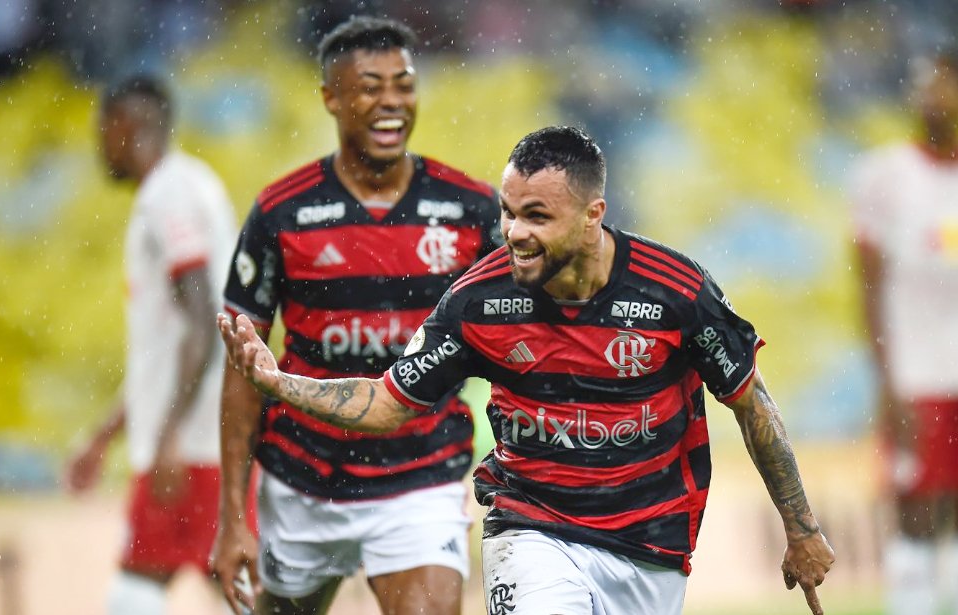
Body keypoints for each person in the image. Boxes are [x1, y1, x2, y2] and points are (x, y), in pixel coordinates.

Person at [218, 125, 836, 615]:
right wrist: (279, 384)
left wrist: (802, 528)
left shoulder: (675, 291)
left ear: (593, 216)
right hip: (531, 527)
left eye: (537, 216)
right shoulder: (477, 302)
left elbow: (752, 404)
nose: (514, 232)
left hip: (651, 544)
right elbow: (387, 402)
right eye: (510, 212)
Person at [209, 16, 501, 615]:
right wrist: (229, 519)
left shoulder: (470, 211)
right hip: (303, 481)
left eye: (403, 84)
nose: (391, 101)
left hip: (420, 480)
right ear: (332, 98)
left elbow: (520, 342)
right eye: (370, 86)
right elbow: (242, 371)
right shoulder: (280, 213)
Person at [65, 75, 237, 615]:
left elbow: (202, 321)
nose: (101, 145)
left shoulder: (168, 196)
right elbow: (168, 347)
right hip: (207, 438)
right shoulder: (196, 183)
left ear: (126, 127)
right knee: (236, 589)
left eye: (103, 130)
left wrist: (165, 437)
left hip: (189, 447)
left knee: (136, 597)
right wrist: (106, 434)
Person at [851, 47, 958, 615]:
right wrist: (886, 378)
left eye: (943, 84)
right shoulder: (885, 175)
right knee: (914, 517)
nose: (931, 96)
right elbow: (868, 286)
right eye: (923, 84)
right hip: (915, 374)